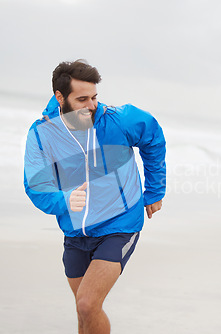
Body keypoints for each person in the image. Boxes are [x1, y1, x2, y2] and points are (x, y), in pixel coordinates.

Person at [23, 60, 166, 334]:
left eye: (94, 97)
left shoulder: (117, 120)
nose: (92, 105)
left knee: (88, 304)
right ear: (60, 97)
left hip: (119, 225)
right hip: (75, 232)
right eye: (82, 99)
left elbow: (153, 137)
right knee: (83, 310)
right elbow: (36, 184)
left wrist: (155, 191)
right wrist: (63, 200)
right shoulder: (42, 133)